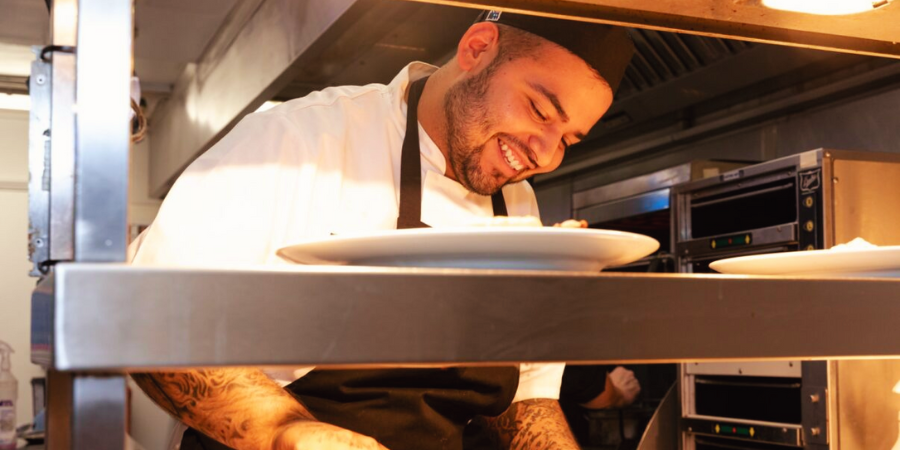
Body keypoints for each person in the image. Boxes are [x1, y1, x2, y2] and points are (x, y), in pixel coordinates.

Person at [129, 9, 635, 450]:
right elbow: (152, 318)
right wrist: (285, 431)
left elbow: (525, 399)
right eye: (540, 111)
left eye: (567, 138)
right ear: (477, 49)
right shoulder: (303, 139)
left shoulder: (517, 203)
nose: (544, 156)